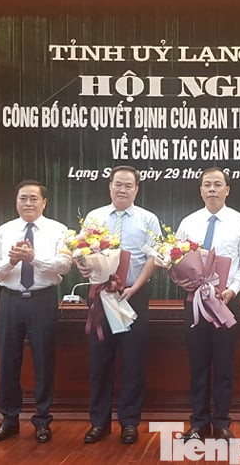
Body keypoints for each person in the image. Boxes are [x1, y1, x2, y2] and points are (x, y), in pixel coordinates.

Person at [0, 180, 71, 444]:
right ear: (16, 201)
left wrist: (33, 258)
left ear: (44, 202)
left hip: (42, 301)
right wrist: (10, 261)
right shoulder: (4, 230)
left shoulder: (58, 230)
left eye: (34, 198)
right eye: (23, 198)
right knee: (7, 362)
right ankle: (8, 420)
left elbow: (64, 265)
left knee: (44, 362)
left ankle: (42, 421)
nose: (28, 203)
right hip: (10, 301)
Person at [79, 166, 162, 445]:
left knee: (132, 362)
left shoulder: (148, 219)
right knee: (99, 361)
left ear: (136, 189)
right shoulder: (95, 216)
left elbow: (154, 257)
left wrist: (134, 287)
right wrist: (83, 267)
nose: (122, 189)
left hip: (132, 296)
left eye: (128, 185)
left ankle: (129, 423)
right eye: (118, 184)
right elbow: (82, 252)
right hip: (100, 295)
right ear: (110, 186)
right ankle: (99, 423)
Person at [175, 167, 240, 441]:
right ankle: (198, 423)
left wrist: (232, 290)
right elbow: (174, 260)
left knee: (224, 365)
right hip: (195, 303)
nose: (212, 189)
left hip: (226, 302)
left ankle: (222, 423)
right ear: (200, 190)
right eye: (207, 184)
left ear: (227, 190)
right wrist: (182, 281)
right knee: (197, 365)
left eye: (217, 184)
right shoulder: (188, 223)